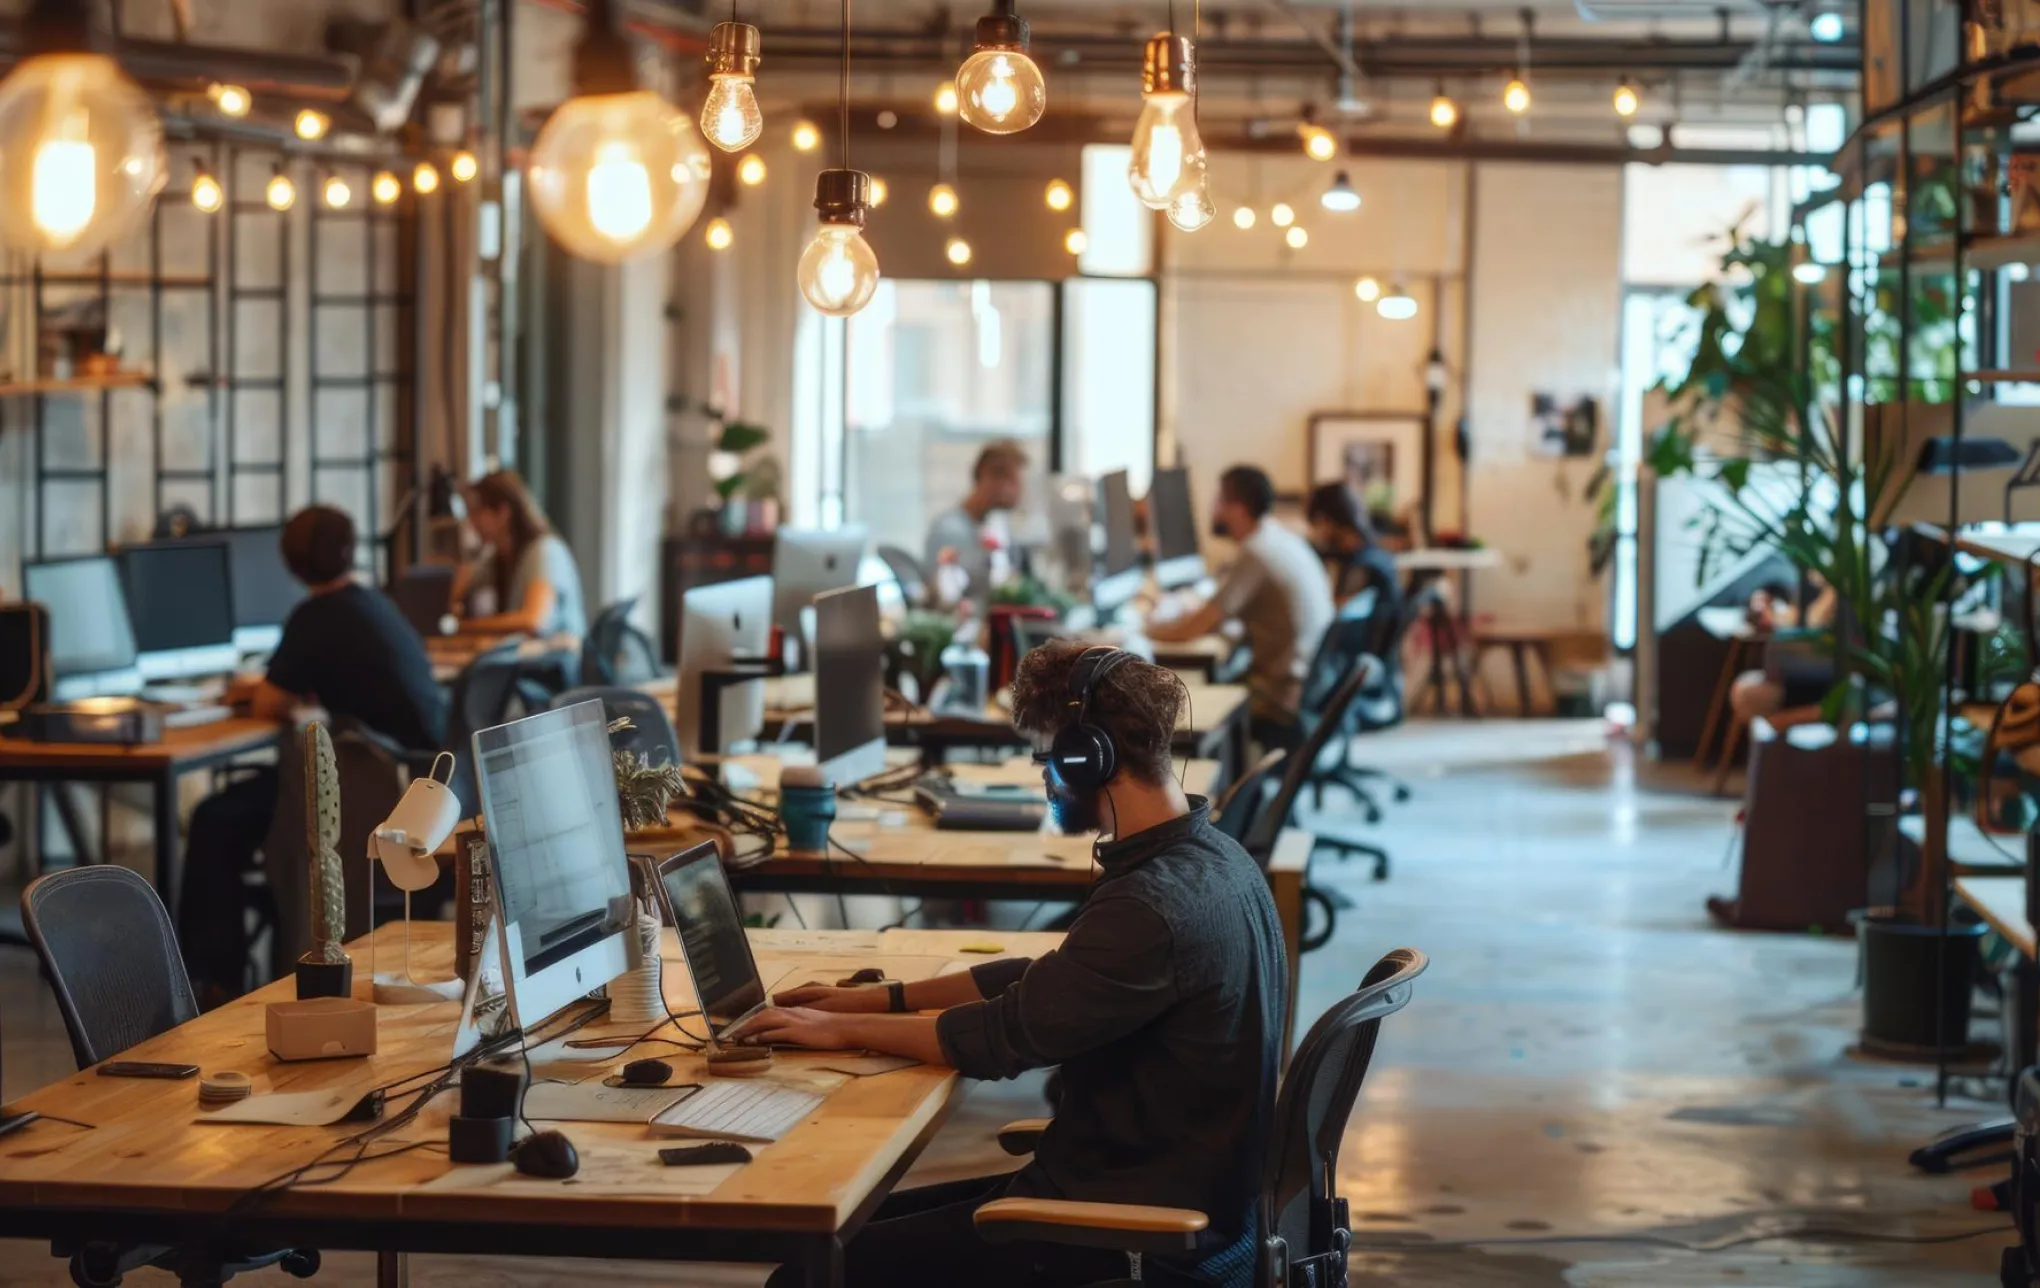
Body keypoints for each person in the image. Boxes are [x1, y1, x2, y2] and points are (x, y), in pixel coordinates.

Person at [743, 640, 1286, 1288]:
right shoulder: (1213, 859)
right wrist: (873, 1000)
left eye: (1045, 759)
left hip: (1125, 1232)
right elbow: (1053, 979)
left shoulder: (1153, 904)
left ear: (1087, 759)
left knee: (806, 1277)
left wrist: (834, 1034)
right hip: (1141, 1189)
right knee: (834, 1239)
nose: (1047, 779)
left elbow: (1003, 1039)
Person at [180, 506, 449, 1005]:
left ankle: (214, 982)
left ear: (292, 564)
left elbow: (268, 702)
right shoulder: (373, 603)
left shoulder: (314, 616)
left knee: (214, 820)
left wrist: (250, 691)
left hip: (365, 785)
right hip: (418, 782)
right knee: (236, 814)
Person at [1146, 465, 1335, 747]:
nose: (1213, 509)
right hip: (1312, 682)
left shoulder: (1257, 553)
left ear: (1238, 507)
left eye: (1218, 500)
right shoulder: (1277, 537)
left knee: (1179, 705)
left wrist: (1144, 631)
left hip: (1281, 695)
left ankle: (1225, 784)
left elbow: (1197, 626)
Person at [452, 470, 587, 638]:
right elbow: (455, 605)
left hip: (554, 659)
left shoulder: (544, 551)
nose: (471, 522)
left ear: (503, 513)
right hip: (529, 657)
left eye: (477, 512)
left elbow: (534, 621)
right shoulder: (496, 559)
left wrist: (466, 627)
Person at [925, 439, 1029, 605]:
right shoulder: (951, 532)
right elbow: (948, 599)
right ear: (993, 478)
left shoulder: (990, 528)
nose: (1020, 492)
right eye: (1015, 482)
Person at [1305, 480, 1404, 618]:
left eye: (1316, 524)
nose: (1316, 532)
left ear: (1326, 520)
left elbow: (1338, 613)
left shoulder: (1363, 565)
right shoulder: (1375, 552)